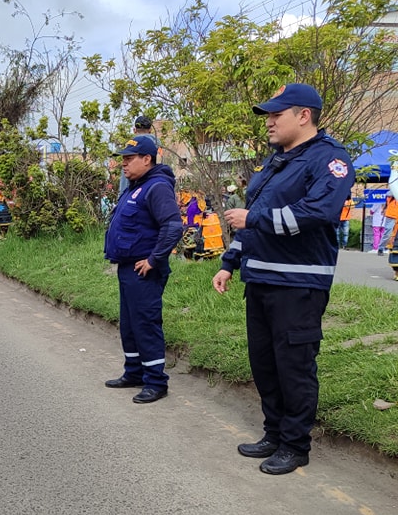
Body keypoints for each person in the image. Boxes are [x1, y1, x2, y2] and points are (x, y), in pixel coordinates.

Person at [213, 82, 353, 475]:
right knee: (265, 363)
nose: (269, 123)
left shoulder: (329, 160)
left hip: (299, 284)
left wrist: (253, 219)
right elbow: (252, 219)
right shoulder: (276, 162)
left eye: (277, 114)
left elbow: (318, 212)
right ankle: (274, 433)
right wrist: (230, 261)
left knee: (294, 366)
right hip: (260, 280)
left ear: (303, 115)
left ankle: (295, 445)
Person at [104, 134, 182, 404]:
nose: (123, 165)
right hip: (128, 268)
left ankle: (156, 382)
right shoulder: (136, 186)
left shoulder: (157, 187)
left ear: (146, 159)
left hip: (144, 270)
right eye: (122, 159)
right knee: (129, 324)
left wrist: (153, 259)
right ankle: (134, 373)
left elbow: (173, 226)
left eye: (129, 159)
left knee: (145, 324)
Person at [118, 115, 159, 194]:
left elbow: (125, 182)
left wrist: (122, 199)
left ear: (134, 130)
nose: (124, 163)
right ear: (150, 129)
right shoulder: (160, 148)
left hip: (134, 196)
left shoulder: (132, 148)